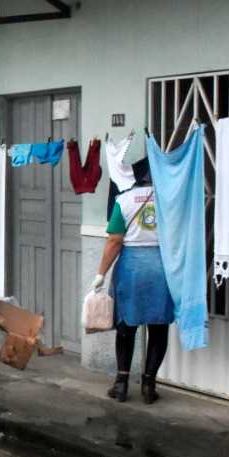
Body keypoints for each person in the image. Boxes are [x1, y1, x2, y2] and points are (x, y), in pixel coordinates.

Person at [93, 159, 171, 404]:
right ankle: (149, 385)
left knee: (126, 327)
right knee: (159, 327)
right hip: (162, 269)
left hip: (131, 269)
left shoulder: (124, 200)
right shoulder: (168, 199)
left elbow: (114, 241)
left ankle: (121, 384)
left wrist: (100, 274)